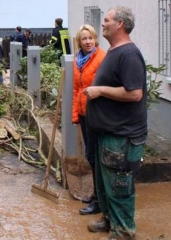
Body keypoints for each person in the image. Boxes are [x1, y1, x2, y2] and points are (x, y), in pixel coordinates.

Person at [84, 6, 147, 239]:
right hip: (107, 132)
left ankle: (123, 232)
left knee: (119, 186)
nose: (103, 24)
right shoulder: (114, 51)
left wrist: (100, 90)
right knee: (105, 184)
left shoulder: (128, 55)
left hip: (122, 136)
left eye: (107, 20)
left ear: (120, 24)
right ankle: (110, 220)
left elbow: (135, 94)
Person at [71, 24, 106, 216]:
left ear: (95, 39)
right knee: (91, 156)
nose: (88, 41)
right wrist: (75, 115)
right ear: (79, 42)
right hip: (85, 115)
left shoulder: (102, 58)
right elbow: (76, 90)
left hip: (98, 115)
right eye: (84, 38)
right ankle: (96, 195)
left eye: (90, 37)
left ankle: (99, 199)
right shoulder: (77, 61)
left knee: (95, 157)